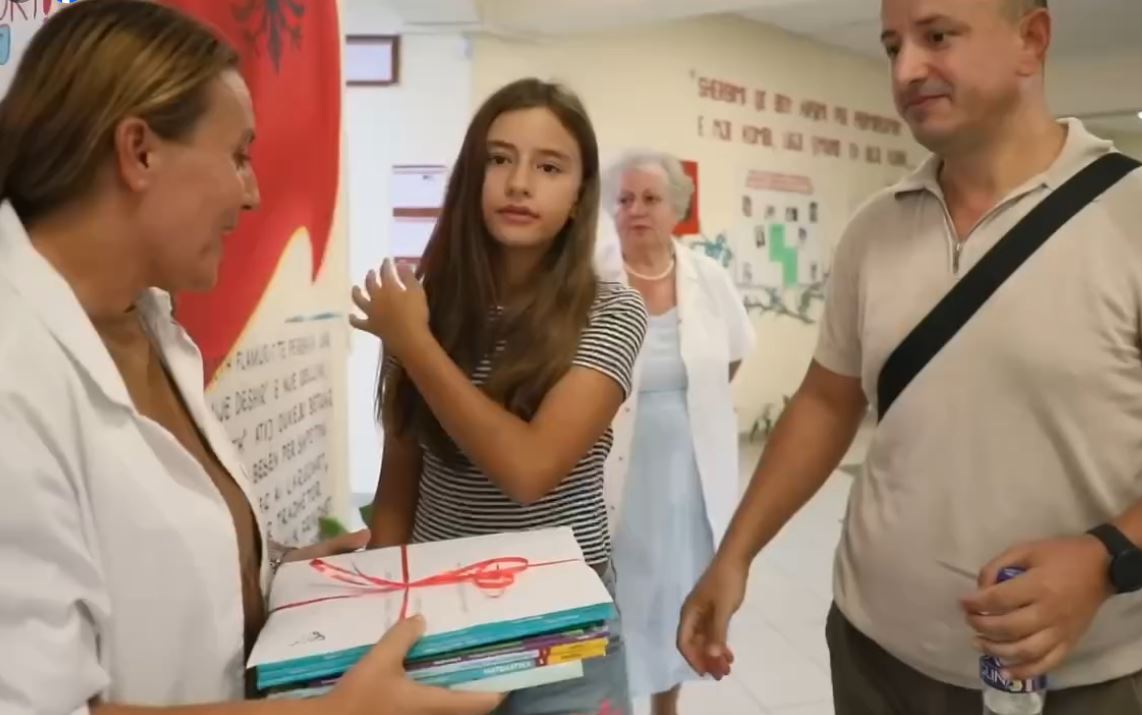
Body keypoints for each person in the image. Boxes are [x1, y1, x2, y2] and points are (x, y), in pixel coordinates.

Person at [0, 2, 502, 714]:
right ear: (139, 152)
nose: (253, 193)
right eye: (238, 156)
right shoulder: (15, 371)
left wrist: (272, 584)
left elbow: (153, 581)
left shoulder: (149, 324)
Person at [678, 1, 1142, 714]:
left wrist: (1106, 557)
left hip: (1070, 680)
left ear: (1031, 39)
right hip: (871, 652)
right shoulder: (874, 229)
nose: (907, 69)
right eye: (891, 46)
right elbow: (827, 401)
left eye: (937, 36)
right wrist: (736, 552)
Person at [351, 78, 648, 715]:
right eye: (499, 159)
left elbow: (529, 470)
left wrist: (414, 343)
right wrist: (377, 621)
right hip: (436, 620)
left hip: (563, 629)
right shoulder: (424, 308)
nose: (519, 183)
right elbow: (397, 492)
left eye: (549, 167)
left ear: (579, 196)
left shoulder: (613, 312)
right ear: (471, 178)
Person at [600, 150, 754, 715]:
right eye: (624, 199)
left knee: (676, 586)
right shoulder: (593, 277)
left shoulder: (707, 276)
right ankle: (612, 697)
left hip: (686, 469)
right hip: (614, 464)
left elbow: (734, 352)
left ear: (676, 209)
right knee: (621, 587)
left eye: (650, 198)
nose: (636, 209)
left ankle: (667, 703)